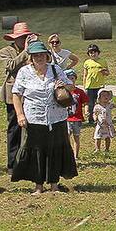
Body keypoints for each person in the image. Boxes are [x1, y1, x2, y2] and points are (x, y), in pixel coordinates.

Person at [10, 40, 77, 194]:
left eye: (42, 55)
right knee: (36, 151)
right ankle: (38, 186)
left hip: (56, 118)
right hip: (34, 118)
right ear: (31, 58)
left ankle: (54, 184)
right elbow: (16, 94)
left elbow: (71, 86)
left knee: (55, 150)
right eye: (35, 55)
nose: (39, 58)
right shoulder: (24, 72)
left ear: (47, 56)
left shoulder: (55, 69)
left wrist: (63, 86)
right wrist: (20, 115)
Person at [0, 22, 35, 170]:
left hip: (31, 94)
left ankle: (28, 161)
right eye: (21, 37)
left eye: (26, 37)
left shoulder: (34, 50)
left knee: (31, 128)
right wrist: (26, 52)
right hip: (12, 95)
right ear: (15, 38)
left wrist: (35, 49)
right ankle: (12, 164)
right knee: (14, 129)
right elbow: (11, 66)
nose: (24, 39)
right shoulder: (5, 51)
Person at [80, 44, 110, 123]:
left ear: (98, 53)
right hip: (90, 86)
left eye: (94, 52)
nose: (93, 54)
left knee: (100, 102)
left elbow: (107, 73)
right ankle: (91, 119)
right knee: (90, 103)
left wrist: (104, 72)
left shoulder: (103, 61)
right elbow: (85, 75)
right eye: (91, 53)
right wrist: (85, 86)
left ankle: (101, 118)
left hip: (100, 86)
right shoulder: (87, 62)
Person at [65, 69, 89, 159]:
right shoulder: (63, 92)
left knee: (76, 137)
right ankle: (67, 155)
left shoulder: (80, 92)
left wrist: (86, 111)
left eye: (72, 78)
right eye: (68, 78)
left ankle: (76, 156)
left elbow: (85, 102)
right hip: (66, 119)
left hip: (77, 118)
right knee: (66, 137)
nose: (71, 80)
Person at [93, 88, 116, 153]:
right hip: (100, 125)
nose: (105, 97)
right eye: (103, 95)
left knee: (107, 137)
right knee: (98, 137)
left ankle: (107, 149)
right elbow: (95, 113)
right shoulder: (97, 106)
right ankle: (97, 149)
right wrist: (95, 118)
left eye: (107, 95)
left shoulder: (110, 105)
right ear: (99, 98)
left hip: (108, 124)